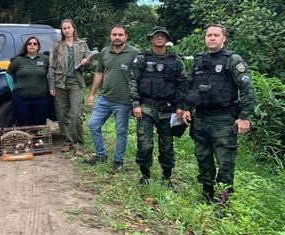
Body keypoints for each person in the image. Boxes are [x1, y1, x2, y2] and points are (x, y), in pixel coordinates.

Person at [182, 24, 255, 204]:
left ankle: (223, 201)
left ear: (224, 38)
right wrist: (186, 108)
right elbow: (191, 87)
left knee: (225, 162)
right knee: (203, 157)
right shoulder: (199, 59)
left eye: (216, 35)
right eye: (209, 35)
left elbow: (247, 89)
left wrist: (244, 117)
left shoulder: (232, 59)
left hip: (223, 119)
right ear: (205, 38)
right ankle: (206, 195)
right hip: (201, 118)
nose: (212, 38)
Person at [129, 27, 188, 188]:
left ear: (167, 40)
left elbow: (183, 84)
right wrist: (135, 104)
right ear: (151, 39)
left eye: (163, 36)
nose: (159, 38)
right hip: (146, 106)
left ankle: (166, 178)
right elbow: (133, 80)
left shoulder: (176, 60)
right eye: (156, 36)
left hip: (168, 109)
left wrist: (181, 107)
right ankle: (145, 176)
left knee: (167, 145)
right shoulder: (142, 58)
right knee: (144, 143)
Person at [87, 24, 139, 171]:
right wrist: (92, 93)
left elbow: (140, 77)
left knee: (121, 131)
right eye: (114, 34)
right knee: (93, 125)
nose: (117, 37)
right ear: (110, 36)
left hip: (123, 101)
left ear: (126, 37)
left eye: (120, 35)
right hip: (105, 98)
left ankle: (118, 160)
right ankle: (100, 154)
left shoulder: (134, 53)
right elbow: (99, 73)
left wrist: (136, 101)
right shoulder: (104, 52)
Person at [47, 19, 92, 155]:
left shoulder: (82, 45)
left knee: (76, 114)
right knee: (62, 115)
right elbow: (52, 67)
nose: (66, 30)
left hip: (76, 83)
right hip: (60, 83)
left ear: (73, 28)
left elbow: (90, 62)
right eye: (64, 28)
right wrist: (51, 85)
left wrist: (86, 62)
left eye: (68, 27)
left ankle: (78, 144)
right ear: (62, 31)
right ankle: (67, 142)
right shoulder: (57, 46)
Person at [7, 36, 50, 126]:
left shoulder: (45, 59)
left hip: (41, 99)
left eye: (35, 44)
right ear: (26, 46)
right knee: (23, 123)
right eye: (29, 43)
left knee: (40, 123)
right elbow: (8, 74)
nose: (32, 45)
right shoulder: (18, 60)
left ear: (38, 47)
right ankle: (26, 139)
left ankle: (38, 140)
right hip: (21, 99)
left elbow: (51, 74)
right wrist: (13, 89)